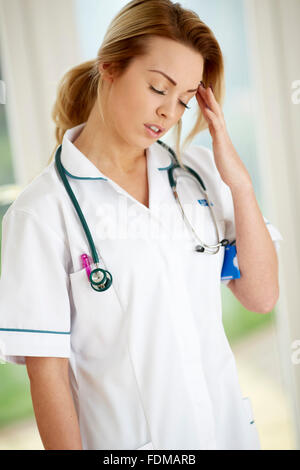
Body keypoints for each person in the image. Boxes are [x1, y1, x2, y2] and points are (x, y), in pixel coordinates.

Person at [0, 0, 283, 450]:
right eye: (158, 88)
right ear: (109, 66)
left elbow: (262, 295)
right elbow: (47, 378)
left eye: (185, 99)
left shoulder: (197, 176)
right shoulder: (42, 213)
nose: (170, 112)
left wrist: (241, 186)